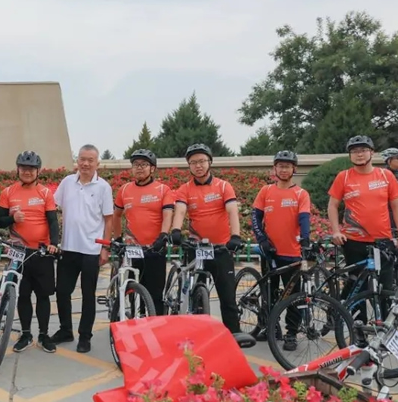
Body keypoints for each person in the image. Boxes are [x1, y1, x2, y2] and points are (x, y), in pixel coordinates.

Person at [328, 135, 398, 319]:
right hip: (354, 242)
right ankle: (358, 328)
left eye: (363, 150)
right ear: (350, 155)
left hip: (382, 241)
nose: (359, 154)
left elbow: (396, 206)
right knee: (357, 287)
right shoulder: (344, 177)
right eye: (354, 151)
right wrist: (336, 231)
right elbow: (333, 205)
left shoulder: (386, 175)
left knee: (385, 288)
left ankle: (387, 329)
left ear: (372, 152)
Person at [170, 144, 242, 334]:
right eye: (193, 162)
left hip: (221, 248)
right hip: (196, 248)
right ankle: (195, 334)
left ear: (210, 162)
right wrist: (175, 230)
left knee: (227, 297)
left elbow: (232, 211)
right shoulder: (185, 189)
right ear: (189, 166)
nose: (198, 166)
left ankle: (234, 334)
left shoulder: (223, 186)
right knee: (193, 296)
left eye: (202, 161)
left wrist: (235, 236)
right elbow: (180, 211)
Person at [51, 144, 114, 353]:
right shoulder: (67, 182)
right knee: (62, 291)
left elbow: (109, 220)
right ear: (77, 161)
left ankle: (85, 336)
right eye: (82, 159)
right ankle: (65, 330)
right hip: (68, 248)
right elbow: (53, 207)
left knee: (88, 295)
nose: (85, 163)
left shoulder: (103, 187)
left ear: (97, 163)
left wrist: (105, 248)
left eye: (90, 160)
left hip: (91, 251)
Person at [0, 151, 60, 353]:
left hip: (41, 252)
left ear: (38, 171)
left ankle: (43, 334)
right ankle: (25, 334)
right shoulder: (8, 192)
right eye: (23, 168)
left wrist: (54, 243)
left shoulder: (45, 193)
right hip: (19, 252)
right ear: (18, 170)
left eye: (31, 169)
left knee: (43, 296)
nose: (27, 172)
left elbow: (52, 221)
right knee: (23, 295)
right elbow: (0, 221)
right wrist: (13, 219)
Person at [251, 150, 311, 350]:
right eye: (280, 166)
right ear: (274, 168)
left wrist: (305, 240)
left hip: (292, 254)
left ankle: (291, 333)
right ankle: (271, 327)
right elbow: (255, 217)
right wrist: (262, 239)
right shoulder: (266, 191)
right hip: (270, 252)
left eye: (287, 166)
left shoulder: (301, 194)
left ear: (294, 169)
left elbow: (304, 219)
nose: (283, 170)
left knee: (294, 296)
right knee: (269, 292)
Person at [112, 149, 174, 315]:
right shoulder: (124, 190)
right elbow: (116, 215)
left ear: (152, 168)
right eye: (136, 164)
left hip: (155, 248)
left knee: (155, 295)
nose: (139, 168)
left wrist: (163, 235)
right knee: (133, 292)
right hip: (133, 248)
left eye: (144, 164)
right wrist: (117, 238)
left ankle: (156, 324)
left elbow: (168, 214)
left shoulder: (163, 189)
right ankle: (134, 318)